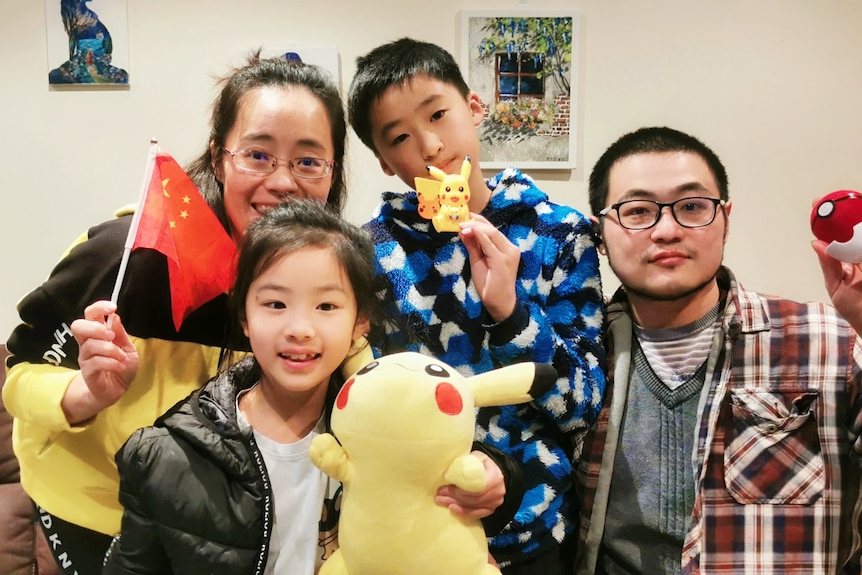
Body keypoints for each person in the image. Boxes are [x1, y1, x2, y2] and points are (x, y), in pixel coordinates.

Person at [3, 53, 349, 574]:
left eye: (307, 161)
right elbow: (21, 374)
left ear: (331, 173)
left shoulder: (330, 275)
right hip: (101, 517)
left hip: (226, 526)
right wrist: (86, 393)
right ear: (218, 158)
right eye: (257, 154)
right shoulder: (126, 255)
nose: (282, 182)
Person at [347, 37, 607, 574]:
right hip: (411, 537)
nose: (431, 145)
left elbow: (583, 405)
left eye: (439, 113)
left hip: (535, 531)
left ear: (474, 106)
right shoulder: (370, 252)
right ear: (384, 161)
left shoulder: (559, 233)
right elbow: (361, 400)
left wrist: (512, 314)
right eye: (399, 137)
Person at [576, 125, 862, 574]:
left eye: (692, 207)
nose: (667, 230)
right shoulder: (576, 356)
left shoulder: (828, 341)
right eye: (637, 211)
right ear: (600, 231)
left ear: (725, 216)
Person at [101, 199, 373, 573]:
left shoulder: (386, 436)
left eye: (326, 306)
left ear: (361, 322)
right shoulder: (169, 456)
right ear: (244, 316)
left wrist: (482, 465)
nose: (299, 328)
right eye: (275, 304)